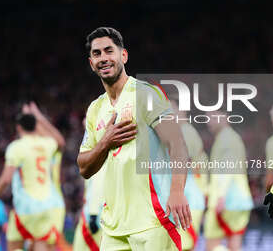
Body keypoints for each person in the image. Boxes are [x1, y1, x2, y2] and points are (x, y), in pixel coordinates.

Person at [77, 27, 191, 251]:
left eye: (109, 51)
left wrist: (177, 191)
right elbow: (84, 167)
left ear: (123, 55)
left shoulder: (146, 94)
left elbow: (177, 144)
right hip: (113, 228)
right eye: (97, 54)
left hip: (152, 221)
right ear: (91, 63)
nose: (103, 58)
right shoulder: (95, 109)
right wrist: (105, 142)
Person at [0, 102, 66, 251]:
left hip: (26, 208)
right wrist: (38, 117)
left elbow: (6, 179)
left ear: (18, 128)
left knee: (13, 246)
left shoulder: (16, 147)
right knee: (40, 244)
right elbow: (60, 142)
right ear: (35, 126)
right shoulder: (46, 144)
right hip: (49, 206)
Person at [205, 111, 253, 251]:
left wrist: (220, 196)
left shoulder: (226, 139)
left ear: (225, 116)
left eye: (213, 117)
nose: (209, 122)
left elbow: (227, 169)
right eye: (207, 118)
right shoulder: (232, 138)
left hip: (226, 200)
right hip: (238, 200)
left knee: (212, 246)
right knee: (234, 246)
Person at [170, 100, 208, 251]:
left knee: (183, 245)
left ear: (182, 111)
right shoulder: (184, 131)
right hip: (190, 196)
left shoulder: (185, 132)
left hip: (189, 198)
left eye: (171, 109)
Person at [73, 117, 104, 251]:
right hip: (93, 213)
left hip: (95, 215)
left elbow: (97, 183)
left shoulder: (97, 153)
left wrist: (92, 214)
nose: (83, 120)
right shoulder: (94, 150)